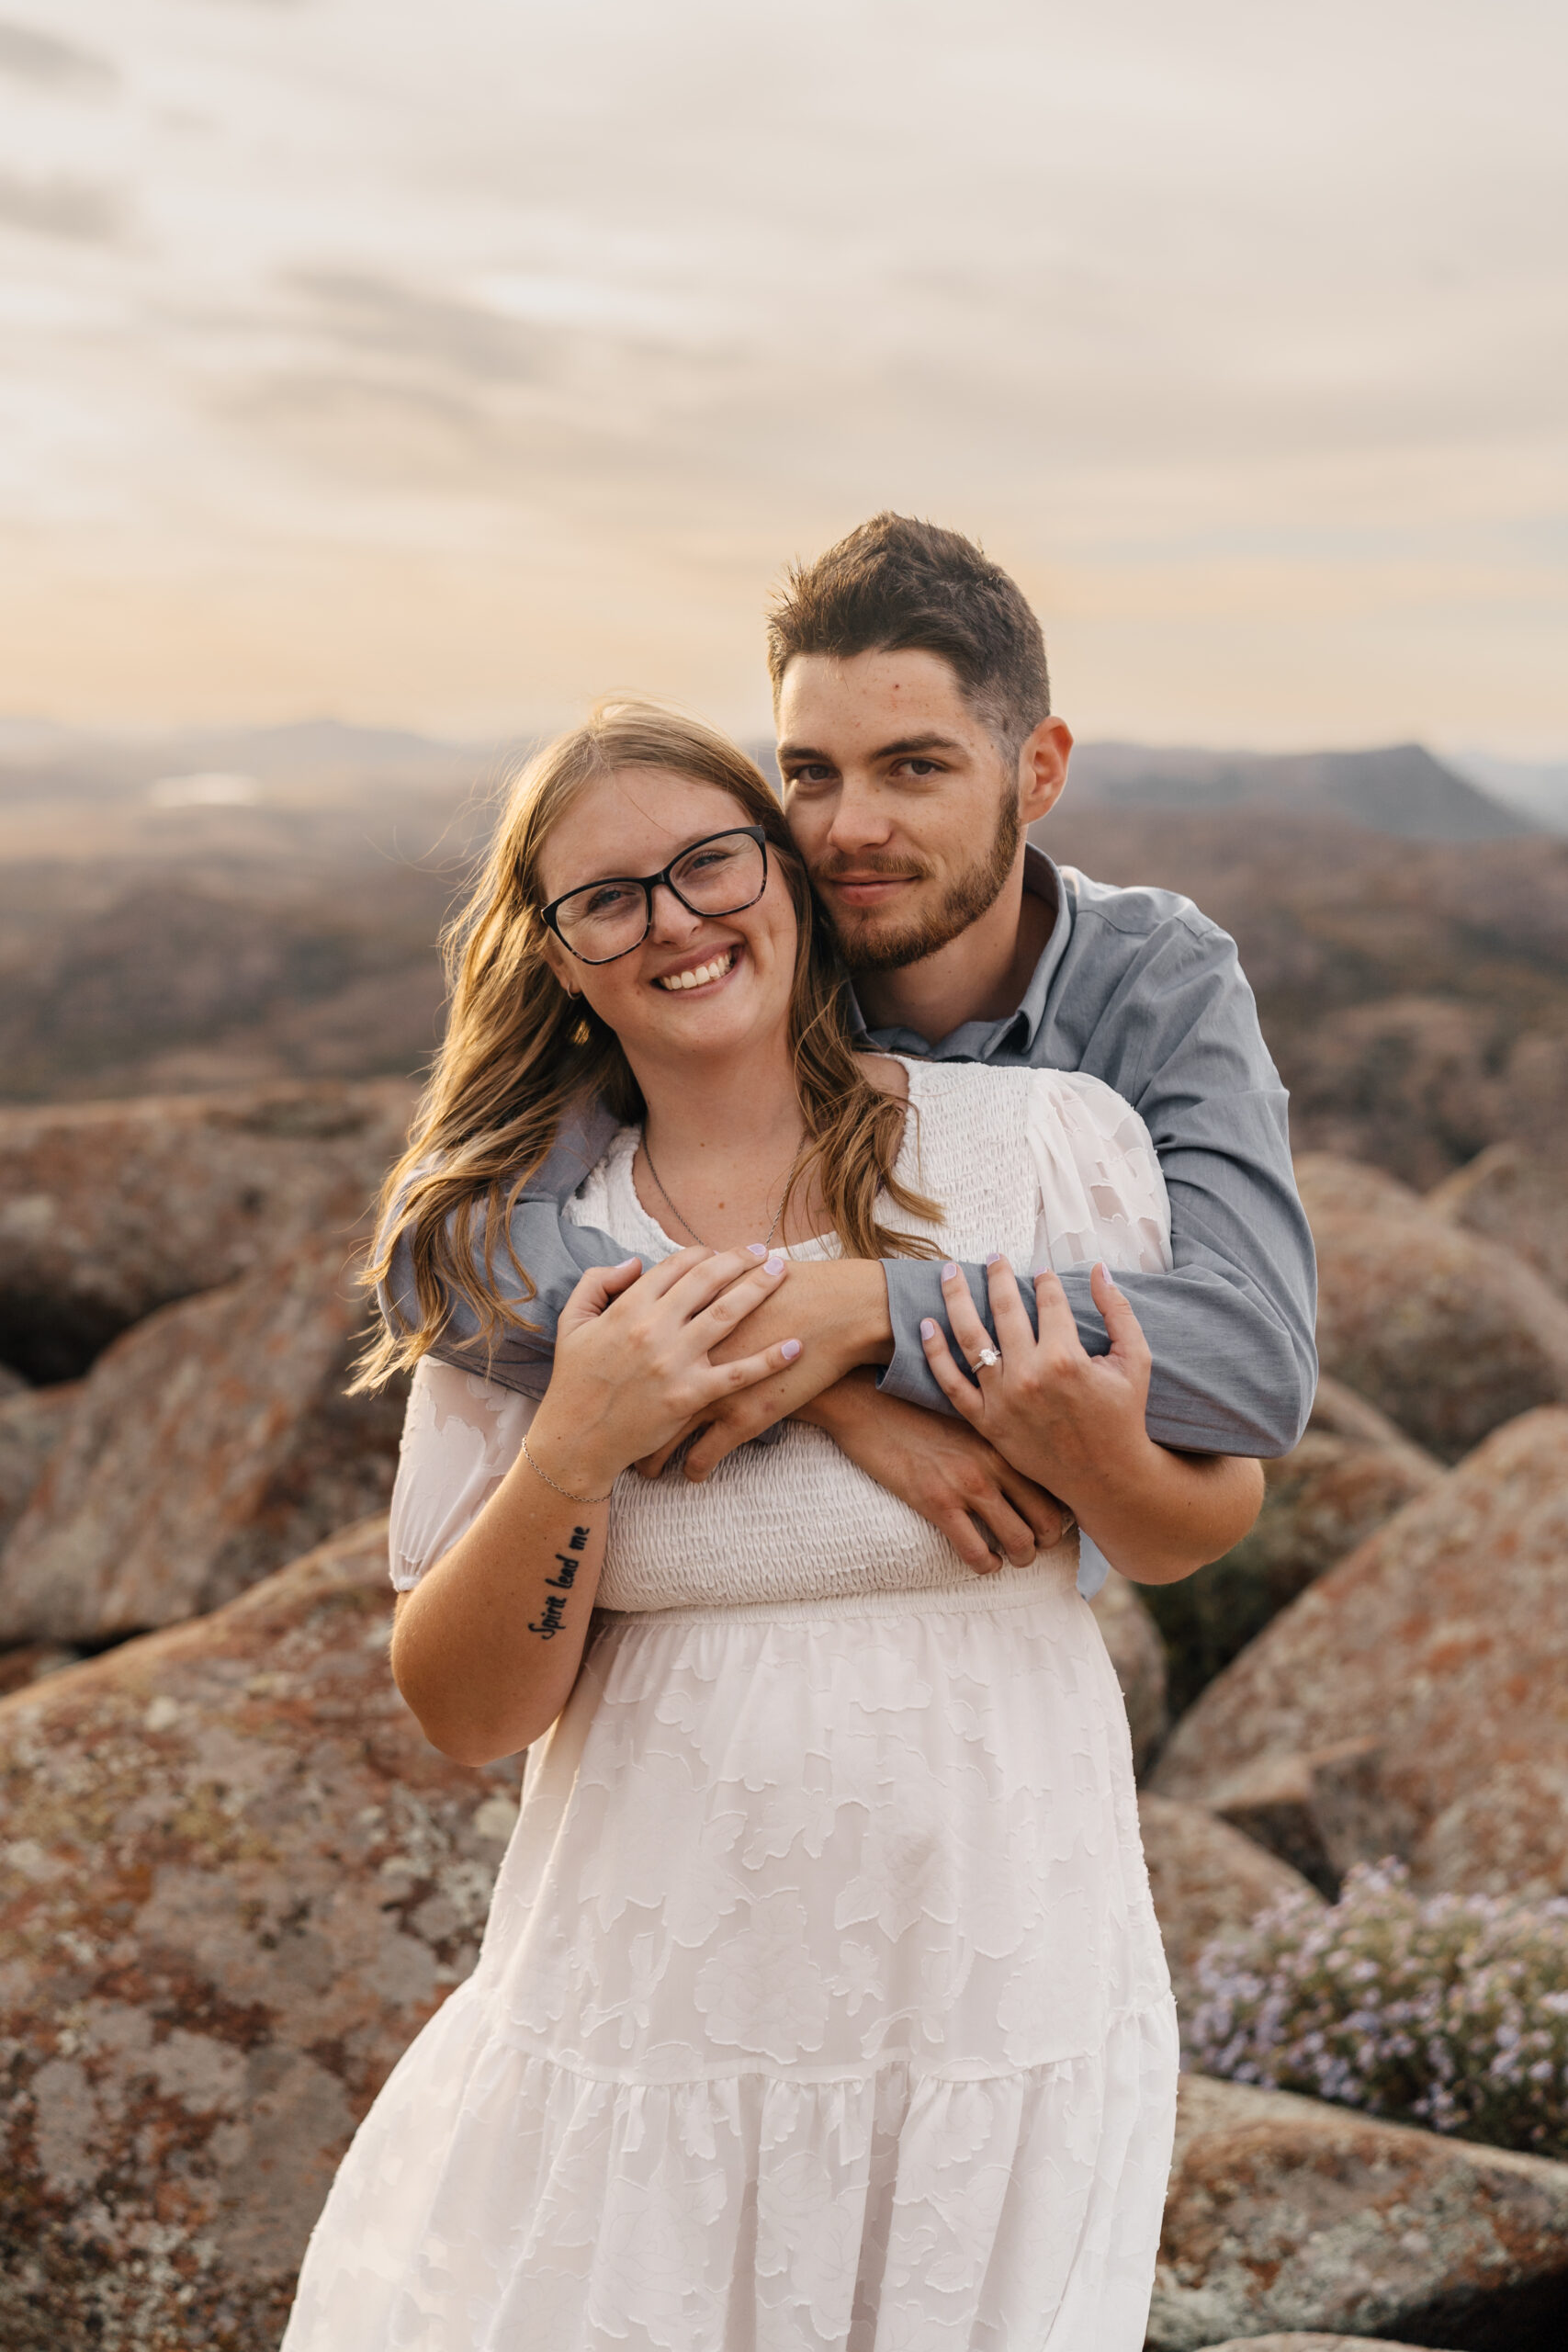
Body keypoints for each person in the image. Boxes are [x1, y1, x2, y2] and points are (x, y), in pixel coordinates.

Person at [281, 699, 1264, 2350]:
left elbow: (1193, 1526)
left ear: (788, 882)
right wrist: (573, 1457)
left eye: (707, 862)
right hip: (651, 2018)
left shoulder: (1035, 1153)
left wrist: (1087, 1451)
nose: (672, 918)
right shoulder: (530, 1254)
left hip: (992, 1998)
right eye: (609, 897)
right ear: (559, 956)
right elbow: (462, 1709)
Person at [415, 515, 1317, 1577]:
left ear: (1038, 771)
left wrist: (867, 1306)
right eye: (812, 773)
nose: (848, 830)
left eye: (913, 768)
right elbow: (455, 1245)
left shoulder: (1155, 980)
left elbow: (1250, 1358)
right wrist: (833, 1384)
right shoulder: (723, 961)